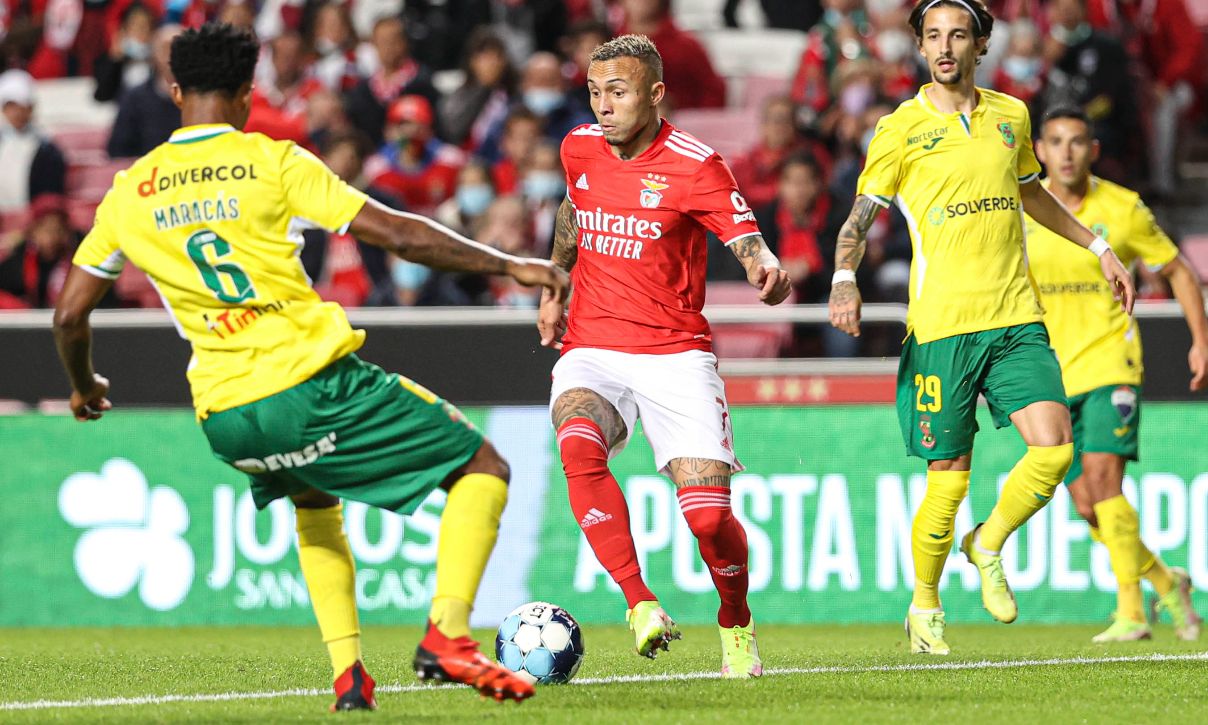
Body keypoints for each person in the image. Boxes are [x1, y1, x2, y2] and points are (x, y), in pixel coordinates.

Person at [52, 22, 568, 711]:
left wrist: (86, 386)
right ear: (245, 93)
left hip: (226, 417)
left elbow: (68, 315)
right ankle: (447, 633)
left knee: (314, 499)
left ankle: (349, 676)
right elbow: (396, 233)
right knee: (483, 467)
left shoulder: (129, 192)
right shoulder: (272, 161)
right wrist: (508, 262)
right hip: (310, 383)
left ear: (174, 92)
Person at [828, 0, 1136, 655]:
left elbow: (1031, 193)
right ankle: (925, 604)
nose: (945, 47)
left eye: (957, 35)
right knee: (949, 474)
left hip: (1015, 318)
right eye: (933, 36)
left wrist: (1098, 245)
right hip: (942, 327)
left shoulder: (1011, 115)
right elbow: (860, 216)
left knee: (1054, 450)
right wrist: (844, 278)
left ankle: (987, 540)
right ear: (919, 46)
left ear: (981, 43)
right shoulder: (899, 129)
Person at [537, 34, 792, 678]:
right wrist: (554, 284)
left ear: (654, 95)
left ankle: (735, 619)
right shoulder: (578, 148)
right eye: (595, 92)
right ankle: (639, 603)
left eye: (617, 93)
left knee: (708, 520)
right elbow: (574, 211)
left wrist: (765, 267)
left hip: (674, 353)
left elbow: (744, 235)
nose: (603, 107)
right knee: (577, 444)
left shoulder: (696, 163)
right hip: (592, 343)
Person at [1028, 106, 1204, 643]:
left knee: (1106, 482)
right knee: (1086, 504)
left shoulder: (1122, 209)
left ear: (1093, 150)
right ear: (1038, 150)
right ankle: (1165, 581)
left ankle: (1131, 612)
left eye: (1077, 142)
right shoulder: (1025, 212)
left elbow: (1176, 268)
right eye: (1055, 141)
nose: (1065, 152)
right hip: (1054, 374)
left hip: (1112, 361)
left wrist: (1201, 340)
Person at [0, 69, 66, 213]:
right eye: (11, 106)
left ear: (31, 108)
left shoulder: (48, 151)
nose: (17, 112)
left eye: (22, 106)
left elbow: (51, 196)